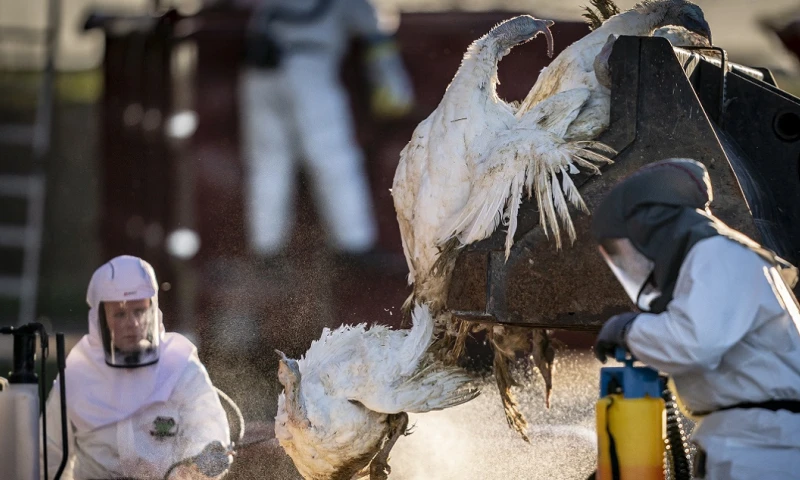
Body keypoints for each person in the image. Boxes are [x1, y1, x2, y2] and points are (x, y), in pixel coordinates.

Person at [590, 158, 800, 479]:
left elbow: (695, 342)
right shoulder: (713, 257)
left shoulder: (716, 255)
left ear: (654, 229)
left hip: (762, 449)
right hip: (751, 440)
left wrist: (630, 331)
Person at [239, 0, 414, 262]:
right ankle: (355, 245)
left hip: (260, 73)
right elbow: (378, 36)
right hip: (309, 71)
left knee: (268, 162)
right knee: (334, 159)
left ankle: (266, 251)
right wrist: (396, 90)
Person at [41, 255, 232, 479]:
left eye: (139, 311)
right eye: (120, 314)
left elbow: (208, 434)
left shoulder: (182, 369)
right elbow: (48, 458)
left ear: (154, 310)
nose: (132, 323)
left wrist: (198, 466)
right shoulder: (76, 378)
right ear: (98, 318)